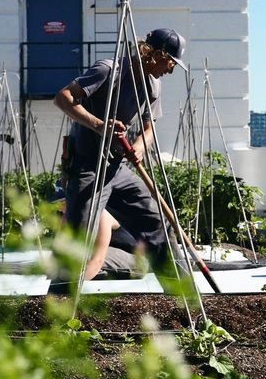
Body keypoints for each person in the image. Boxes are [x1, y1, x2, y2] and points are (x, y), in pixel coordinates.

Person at [54, 28, 186, 280]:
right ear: (155, 54)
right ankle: (58, 301)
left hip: (117, 169)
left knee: (156, 222)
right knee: (78, 238)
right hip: (87, 167)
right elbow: (63, 98)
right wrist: (99, 125)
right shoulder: (108, 71)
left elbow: (148, 129)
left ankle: (183, 293)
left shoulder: (153, 85)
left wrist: (140, 146)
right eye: (170, 63)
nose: (170, 71)